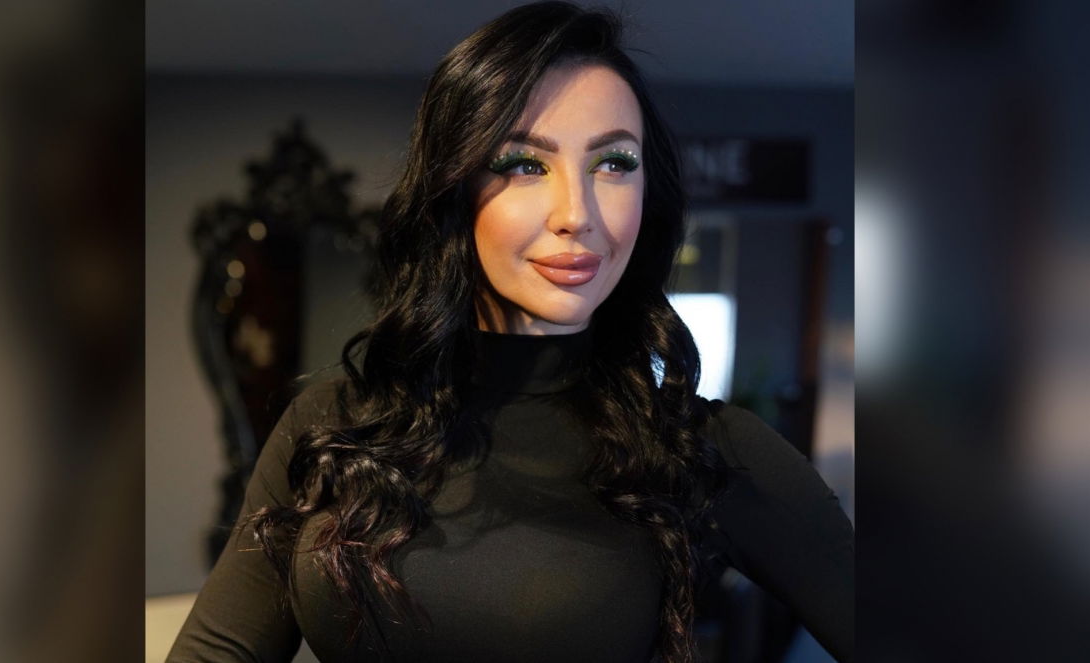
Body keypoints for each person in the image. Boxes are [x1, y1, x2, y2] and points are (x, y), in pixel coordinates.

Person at [167, 3, 854, 662]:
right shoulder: (333, 424)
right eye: (525, 163)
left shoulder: (701, 450)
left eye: (614, 163)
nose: (576, 212)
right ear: (455, 189)